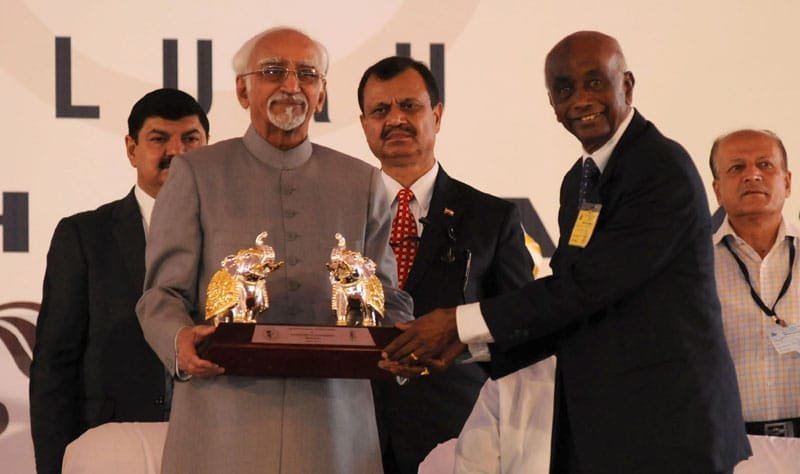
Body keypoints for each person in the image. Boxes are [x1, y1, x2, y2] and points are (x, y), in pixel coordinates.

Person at [381, 30, 752, 473]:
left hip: (669, 429)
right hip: (609, 431)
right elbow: (567, 308)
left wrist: (458, 322)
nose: (579, 100)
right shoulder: (578, 182)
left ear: (627, 86)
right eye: (563, 89)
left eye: (595, 82)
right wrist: (464, 346)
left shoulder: (659, 168)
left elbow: (588, 288)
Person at [136, 27, 413, 474]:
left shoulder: (362, 182)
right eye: (272, 72)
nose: (291, 85)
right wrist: (178, 341)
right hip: (222, 420)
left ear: (322, 95)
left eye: (307, 74)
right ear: (243, 91)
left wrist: (404, 340)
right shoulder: (196, 173)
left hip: (334, 424)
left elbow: (385, 293)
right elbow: (161, 296)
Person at [357, 56, 534, 473]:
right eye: (380, 110)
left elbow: (522, 329)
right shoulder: (335, 216)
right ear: (363, 123)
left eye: (410, 107)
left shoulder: (491, 218)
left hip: (457, 434)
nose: (395, 119)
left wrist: (459, 343)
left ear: (436, 115)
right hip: (349, 430)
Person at [30, 88, 209, 474]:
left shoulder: (235, 239)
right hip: (110, 449)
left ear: (208, 148)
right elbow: (54, 366)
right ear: (131, 149)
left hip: (214, 443)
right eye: (159, 139)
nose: (176, 152)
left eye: (190, 139)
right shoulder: (84, 235)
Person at [710, 129, 800, 438]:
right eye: (737, 167)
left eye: (765, 165)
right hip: (731, 446)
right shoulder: (694, 267)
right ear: (717, 189)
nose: (753, 175)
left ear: (787, 182)